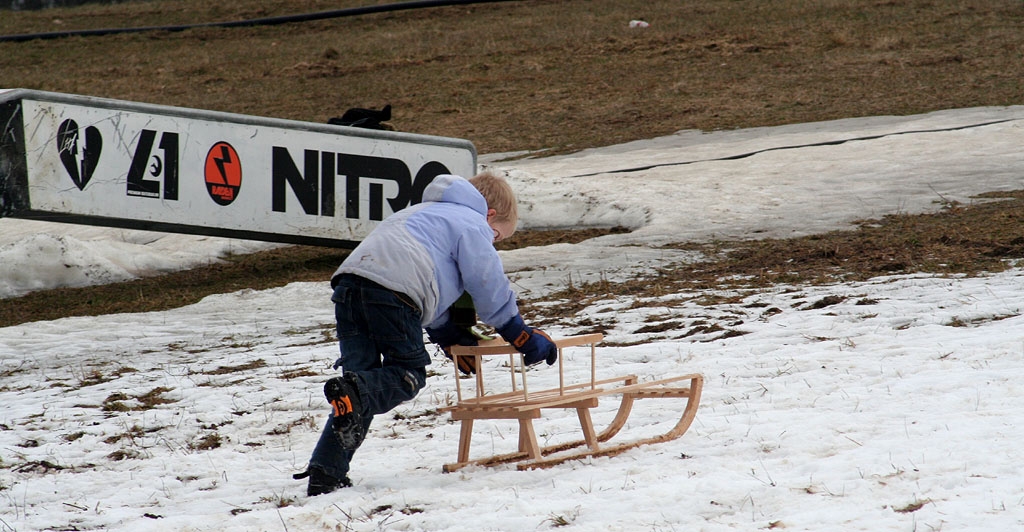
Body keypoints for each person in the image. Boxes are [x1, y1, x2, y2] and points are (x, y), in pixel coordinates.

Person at [294, 171, 558, 496]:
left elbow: (431, 282)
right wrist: (522, 336)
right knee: (405, 375)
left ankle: (325, 473)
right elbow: (486, 283)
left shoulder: (421, 213)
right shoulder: (472, 222)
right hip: (393, 292)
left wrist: (449, 336)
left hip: (350, 283)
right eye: (497, 237)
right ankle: (352, 397)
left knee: (358, 391)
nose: (493, 243)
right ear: (490, 215)